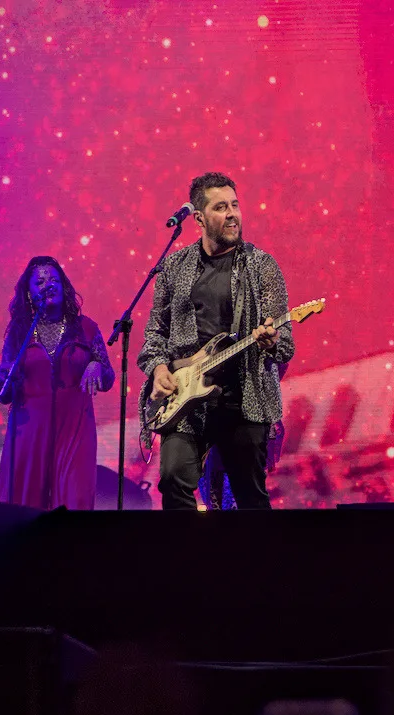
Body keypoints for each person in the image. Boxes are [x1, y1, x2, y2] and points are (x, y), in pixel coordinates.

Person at [137, 172, 294, 510]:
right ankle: (187, 561)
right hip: (185, 399)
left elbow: (286, 346)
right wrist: (160, 368)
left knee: (250, 498)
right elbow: (153, 334)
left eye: (235, 205)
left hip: (242, 400)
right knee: (174, 481)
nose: (232, 214)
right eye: (221, 207)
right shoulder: (175, 267)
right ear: (198, 218)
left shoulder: (261, 266)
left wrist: (269, 342)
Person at [0, 256, 115, 510]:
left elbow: (108, 376)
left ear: (64, 286)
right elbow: (2, 390)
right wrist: (7, 379)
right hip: (28, 431)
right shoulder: (19, 333)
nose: (48, 284)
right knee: (23, 507)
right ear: (29, 294)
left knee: (74, 501)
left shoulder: (85, 328)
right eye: (40, 281)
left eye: (54, 279)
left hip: (75, 430)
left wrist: (95, 365)